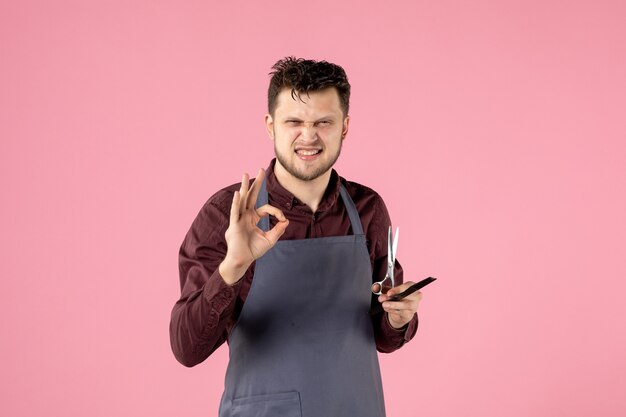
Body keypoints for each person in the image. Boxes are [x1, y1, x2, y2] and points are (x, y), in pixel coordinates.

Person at [170, 57, 425, 417]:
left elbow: (382, 333)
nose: (309, 136)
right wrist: (234, 265)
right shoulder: (228, 213)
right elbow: (186, 348)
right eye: (294, 122)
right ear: (270, 126)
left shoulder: (367, 210)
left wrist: (399, 318)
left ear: (345, 127)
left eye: (324, 122)